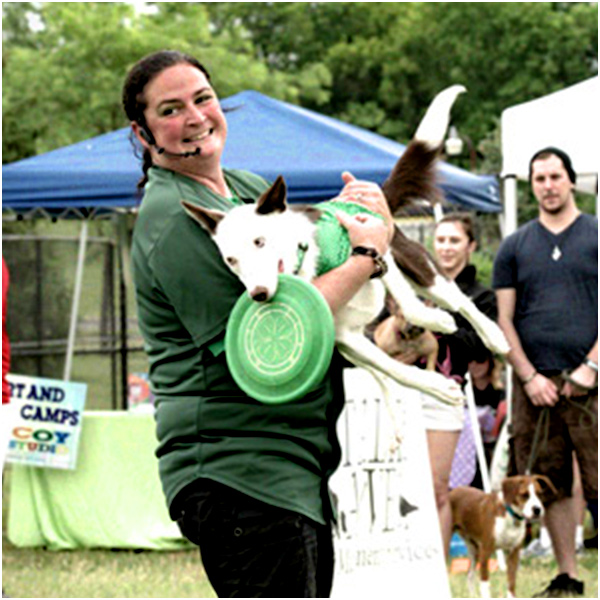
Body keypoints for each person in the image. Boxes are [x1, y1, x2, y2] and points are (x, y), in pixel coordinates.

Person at [122, 50, 394, 598]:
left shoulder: (245, 191)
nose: (195, 117)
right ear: (143, 131)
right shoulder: (173, 218)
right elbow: (275, 338)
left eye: (202, 99)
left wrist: (358, 216)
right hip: (239, 474)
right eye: (171, 110)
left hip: (291, 471)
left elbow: (316, 253)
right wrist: (367, 255)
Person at [493, 147, 598, 598]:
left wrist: (592, 366)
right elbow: (503, 320)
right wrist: (528, 375)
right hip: (534, 385)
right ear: (531, 185)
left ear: (571, 181)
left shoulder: (596, 234)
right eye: (539, 179)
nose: (548, 186)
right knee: (547, 480)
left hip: (591, 379)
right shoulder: (515, 245)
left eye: (556, 176)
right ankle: (568, 578)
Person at [373, 213, 498, 556]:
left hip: (444, 393)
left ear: (471, 247)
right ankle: (397, 560)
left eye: (454, 240)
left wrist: (437, 323)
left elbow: (479, 348)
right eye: (440, 240)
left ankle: (435, 568)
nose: (446, 247)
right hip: (399, 391)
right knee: (393, 483)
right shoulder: (411, 285)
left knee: (437, 488)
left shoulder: (479, 296)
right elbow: (381, 331)